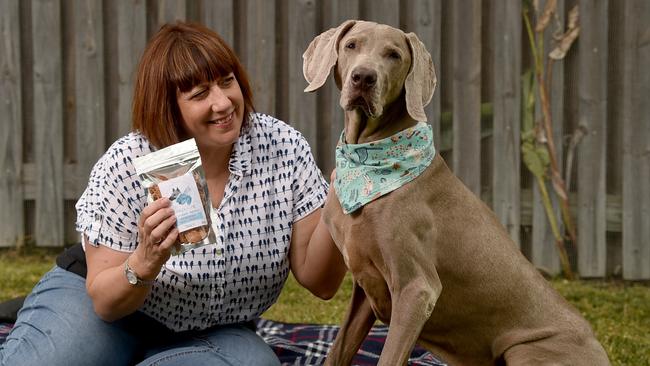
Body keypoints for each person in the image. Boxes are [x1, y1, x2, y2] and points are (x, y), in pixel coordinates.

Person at [0, 21, 347, 366]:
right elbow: (105, 303)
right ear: (167, 106)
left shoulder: (282, 148)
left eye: (227, 82)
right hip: (107, 314)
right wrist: (146, 260)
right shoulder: (128, 161)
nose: (223, 102)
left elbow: (322, 283)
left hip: (215, 329)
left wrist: (339, 201)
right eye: (199, 94)